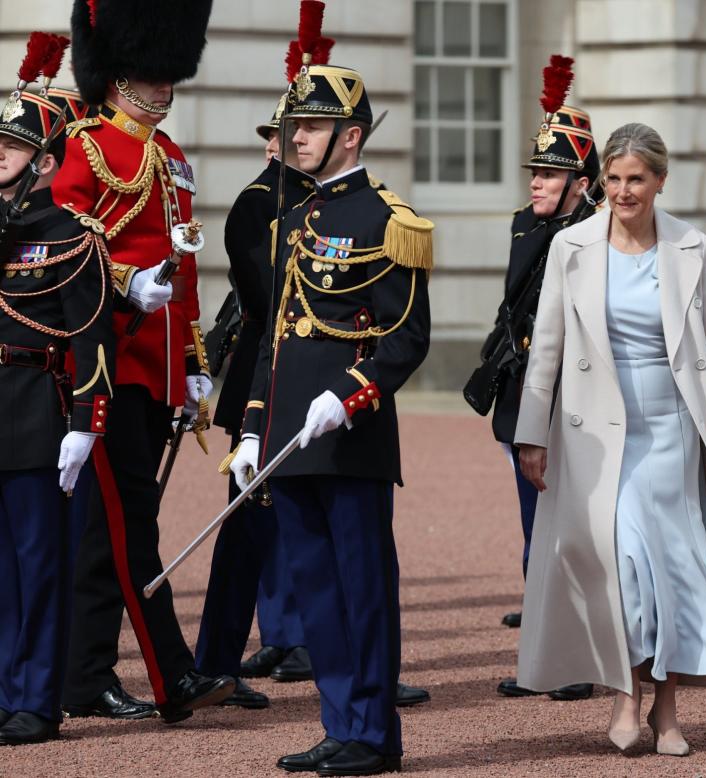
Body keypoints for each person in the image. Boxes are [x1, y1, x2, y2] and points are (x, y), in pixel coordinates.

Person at [514, 122, 706, 757]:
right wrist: (532, 433)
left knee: (668, 569)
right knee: (622, 566)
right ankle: (625, 697)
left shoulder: (690, 247)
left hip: (674, 427)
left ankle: (665, 707)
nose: (622, 191)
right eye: (613, 179)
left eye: (635, 179)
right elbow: (549, 347)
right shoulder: (571, 246)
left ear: (659, 180)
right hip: (595, 432)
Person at [229, 46, 433, 774]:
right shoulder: (291, 219)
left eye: (312, 126)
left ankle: (374, 734)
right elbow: (273, 338)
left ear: (351, 133)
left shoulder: (390, 218)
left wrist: (348, 395)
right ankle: (340, 722)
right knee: (316, 594)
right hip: (291, 436)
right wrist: (253, 426)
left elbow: (407, 338)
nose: (296, 138)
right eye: (293, 126)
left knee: (360, 588)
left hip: (350, 436)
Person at [54, 0, 236, 723]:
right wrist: (129, 287)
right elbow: (66, 258)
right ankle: (173, 678)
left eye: (168, 76)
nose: (164, 89)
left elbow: (183, 277)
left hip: (156, 374)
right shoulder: (86, 148)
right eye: (150, 75)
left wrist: (193, 365)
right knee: (132, 532)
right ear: (117, 74)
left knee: (109, 534)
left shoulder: (171, 161)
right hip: (106, 369)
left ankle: (85, 676)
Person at [0, 43, 114, 746]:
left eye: (11, 146)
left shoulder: (70, 236)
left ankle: (35, 701)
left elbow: (92, 338)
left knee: (38, 567)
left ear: (44, 162)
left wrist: (85, 424)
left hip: (36, 413)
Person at [478, 54, 596, 703]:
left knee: (571, 532)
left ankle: (576, 656)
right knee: (534, 530)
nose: (538, 183)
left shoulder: (597, 233)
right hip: (523, 391)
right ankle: (539, 657)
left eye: (550, 174)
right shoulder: (526, 224)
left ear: (581, 180)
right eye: (536, 172)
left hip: (574, 399)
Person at [193, 98, 316, 709]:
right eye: (284, 133)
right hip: (265, 388)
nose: (286, 143)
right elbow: (271, 305)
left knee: (329, 530)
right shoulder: (256, 205)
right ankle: (215, 661)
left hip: (323, 390)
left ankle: (343, 657)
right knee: (247, 534)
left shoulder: (333, 200)